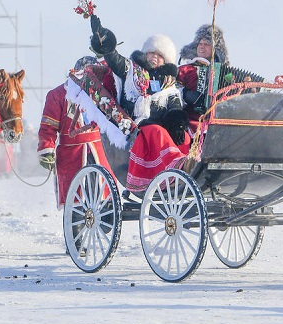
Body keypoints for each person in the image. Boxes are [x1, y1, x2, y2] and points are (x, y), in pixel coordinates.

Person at [89, 15, 191, 192]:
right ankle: (174, 170)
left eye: (160, 55)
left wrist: (177, 125)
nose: (155, 57)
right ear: (145, 53)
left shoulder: (169, 85)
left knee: (185, 137)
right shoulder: (131, 71)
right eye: (152, 53)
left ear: (166, 61)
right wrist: (105, 42)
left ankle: (187, 170)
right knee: (157, 132)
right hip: (137, 128)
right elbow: (115, 60)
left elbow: (174, 107)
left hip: (162, 128)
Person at [37, 56, 114, 209]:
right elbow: (48, 127)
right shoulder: (57, 95)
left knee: (103, 193)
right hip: (71, 153)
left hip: (99, 151)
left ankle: (107, 217)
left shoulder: (101, 92)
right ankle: (75, 225)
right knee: (75, 197)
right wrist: (46, 148)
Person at [176, 24, 230, 128]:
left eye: (206, 44)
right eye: (200, 43)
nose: (201, 46)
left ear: (215, 49)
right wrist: (185, 95)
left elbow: (234, 87)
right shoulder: (185, 69)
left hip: (217, 124)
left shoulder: (225, 73)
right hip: (190, 121)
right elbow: (171, 90)